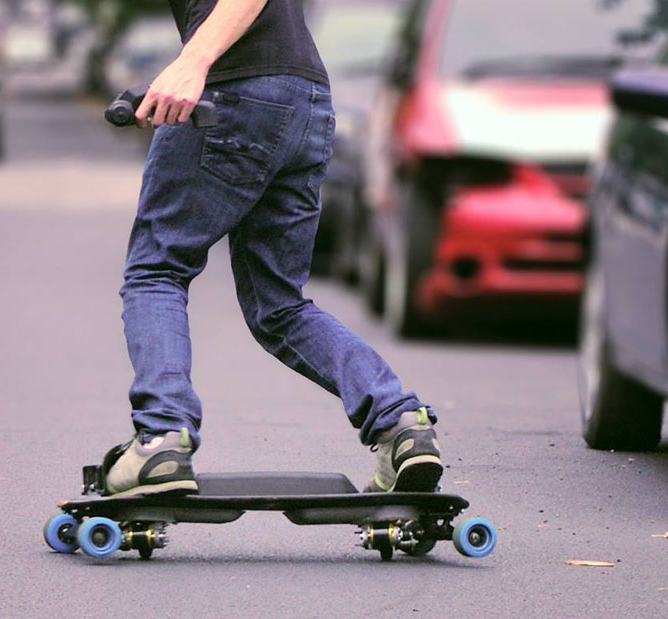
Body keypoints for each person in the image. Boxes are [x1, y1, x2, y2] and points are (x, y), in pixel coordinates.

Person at [100, 0, 444, 497]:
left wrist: (192, 62)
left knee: (157, 270)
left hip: (231, 94)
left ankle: (161, 438)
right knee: (279, 306)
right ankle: (400, 425)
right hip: (306, 102)